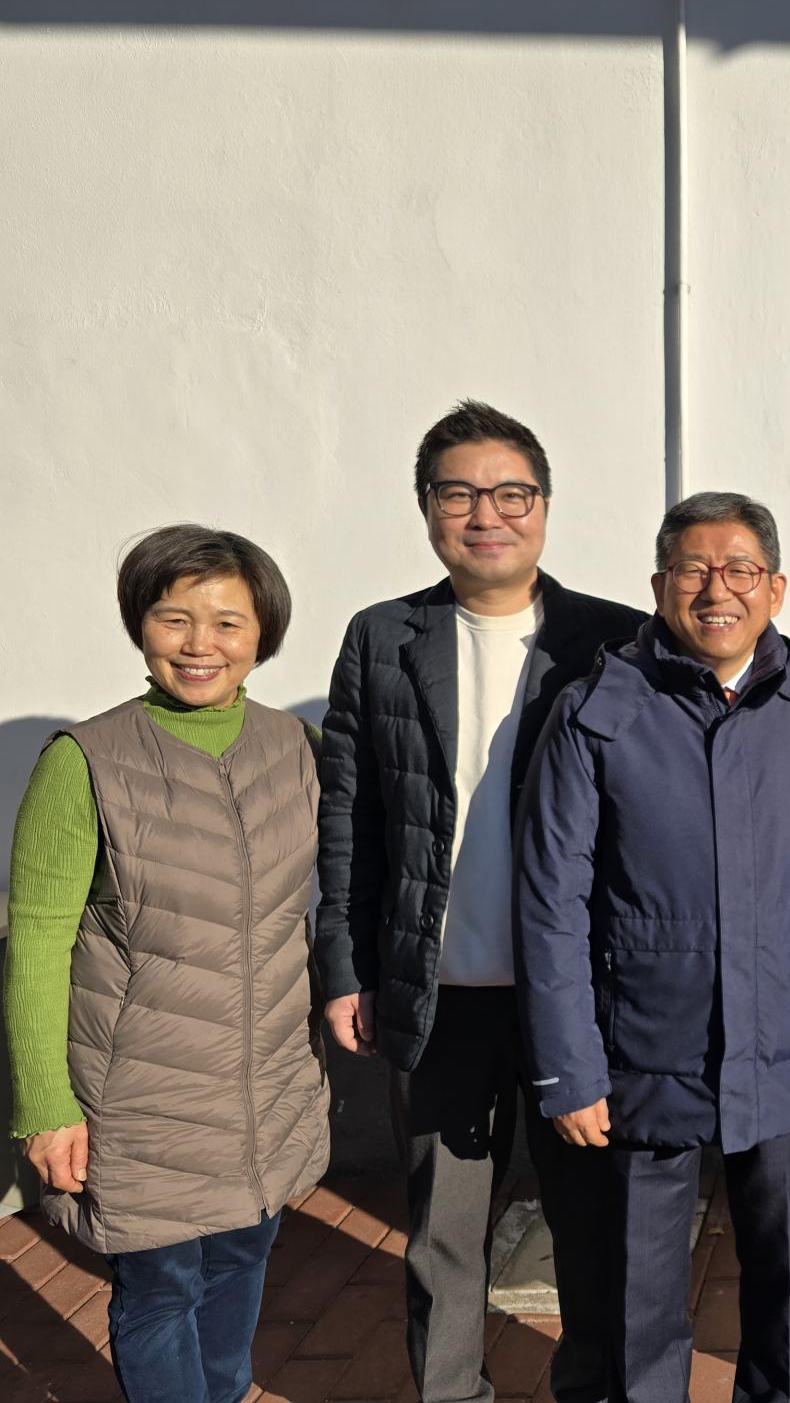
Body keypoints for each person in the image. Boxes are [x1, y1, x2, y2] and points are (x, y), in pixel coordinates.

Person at [515, 491, 790, 1403]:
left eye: (741, 570)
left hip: (785, 1041)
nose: (718, 590)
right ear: (659, 585)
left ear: (777, 589)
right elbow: (552, 903)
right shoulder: (599, 709)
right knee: (639, 1298)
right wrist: (568, 1066)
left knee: (782, 1287)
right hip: (642, 1048)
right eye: (693, 569)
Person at [313, 400, 643, 1403]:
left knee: (593, 1224)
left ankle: (590, 1387)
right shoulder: (382, 637)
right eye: (459, 493)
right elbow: (350, 815)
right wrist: (345, 969)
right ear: (426, 508)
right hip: (437, 990)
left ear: (545, 505)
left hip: (575, 998)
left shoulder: (614, 640)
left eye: (511, 493)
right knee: (443, 1234)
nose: (486, 515)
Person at [5, 525, 328, 1403]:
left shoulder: (296, 749)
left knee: (242, 1260)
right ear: (139, 625)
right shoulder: (85, 762)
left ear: (262, 633)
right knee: (161, 1288)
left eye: (226, 622)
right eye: (174, 618)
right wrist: (44, 1105)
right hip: (139, 1094)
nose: (198, 645)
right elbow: (36, 942)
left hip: (266, 1083)